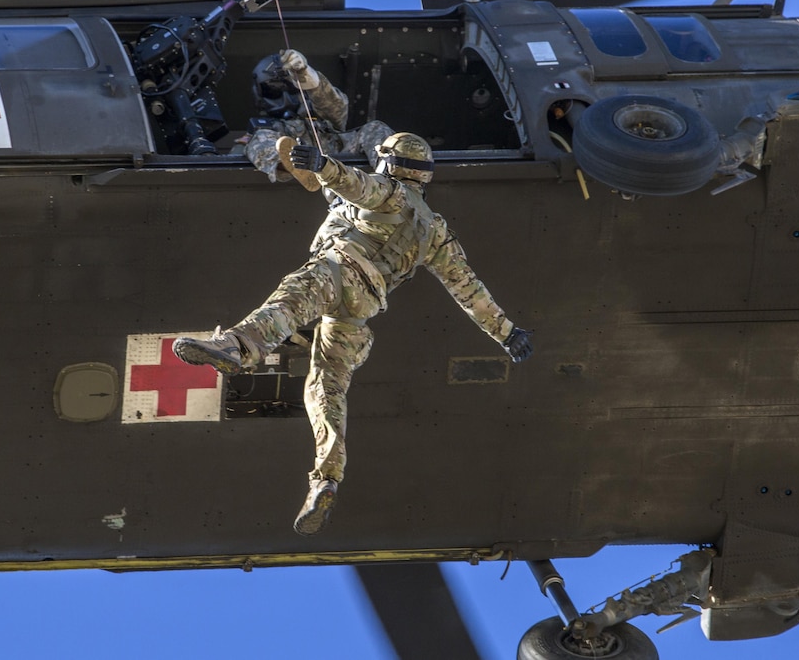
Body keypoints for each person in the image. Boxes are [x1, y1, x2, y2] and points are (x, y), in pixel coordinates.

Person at [174, 132, 533, 535]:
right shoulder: (435, 230)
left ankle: (236, 348)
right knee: (326, 389)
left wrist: (322, 164)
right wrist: (506, 332)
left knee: (290, 301)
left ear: (390, 163)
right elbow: (467, 288)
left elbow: (354, 183)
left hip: (338, 273)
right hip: (360, 309)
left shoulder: (388, 192)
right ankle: (325, 478)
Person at [244, 49, 393, 185]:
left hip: (340, 158)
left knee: (375, 128)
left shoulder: (317, 111)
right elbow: (264, 151)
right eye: (274, 91)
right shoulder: (267, 131)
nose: (285, 96)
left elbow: (337, 106)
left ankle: (393, 180)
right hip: (307, 165)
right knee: (258, 140)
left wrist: (306, 75)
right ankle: (301, 167)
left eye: (289, 88)